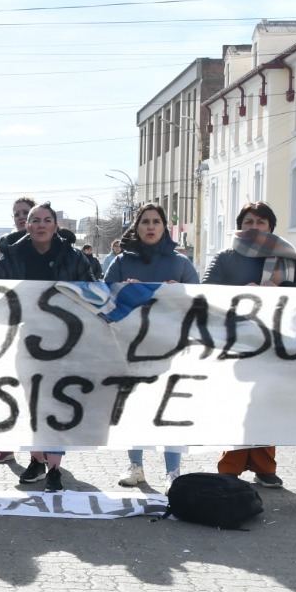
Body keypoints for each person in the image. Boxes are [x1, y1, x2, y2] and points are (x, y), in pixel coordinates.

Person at [201, 201, 296, 489]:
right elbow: (206, 292)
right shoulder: (225, 257)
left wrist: (280, 291)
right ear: (240, 226)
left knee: (269, 403)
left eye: (260, 222)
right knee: (236, 404)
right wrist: (238, 294)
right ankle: (231, 465)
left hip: (277, 343)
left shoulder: (293, 259)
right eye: (248, 222)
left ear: (271, 227)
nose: (254, 227)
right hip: (235, 343)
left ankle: (265, 467)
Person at [0, 201, 93, 492]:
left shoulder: (73, 258)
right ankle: (36, 458)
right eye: (35, 220)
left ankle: (54, 469)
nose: (40, 225)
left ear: (55, 226)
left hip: (64, 341)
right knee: (30, 402)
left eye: (47, 220)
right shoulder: (12, 256)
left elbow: (90, 291)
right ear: (26, 226)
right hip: (23, 340)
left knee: (56, 404)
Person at [105, 204, 199, 488]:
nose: (150, 226)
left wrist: (176, 293)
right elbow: (104, 299)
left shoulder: (181, 263)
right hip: (132, 347)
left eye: (156, 221)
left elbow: (199, 301)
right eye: (145, 221)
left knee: (171, 408)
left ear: (164, 227)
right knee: (134, 407)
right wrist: (125, 291)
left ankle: (173, 471)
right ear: (136, 227)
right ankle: (136, 466)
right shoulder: (121, 262)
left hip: (172, 347)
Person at [0, 195, 36, 466]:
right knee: (8, 387)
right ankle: (6, 443)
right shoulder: (3, 246)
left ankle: (38, 452)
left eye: (25, 213)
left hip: (40, 328)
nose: (20, 217)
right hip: (10, 326)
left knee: (35, 389)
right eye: (17, 213)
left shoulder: (46, 245)